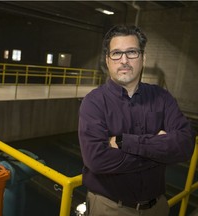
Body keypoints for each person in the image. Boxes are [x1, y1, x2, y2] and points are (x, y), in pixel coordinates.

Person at [78, 25, 195, 216]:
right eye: (116, 53)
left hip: (157, 208)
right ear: (108, 61)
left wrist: (126, 142)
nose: (124, 60)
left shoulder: (162, 97)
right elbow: (97, 160)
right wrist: (159, 150)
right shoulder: (94, 102)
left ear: (143, 58)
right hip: (109, 208)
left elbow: (185, 145)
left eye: (131, 52)